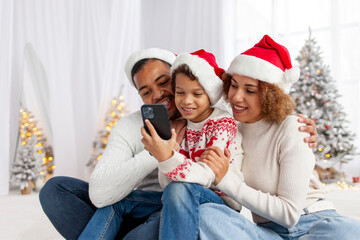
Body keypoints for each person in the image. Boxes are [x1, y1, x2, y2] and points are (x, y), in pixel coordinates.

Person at [38, 47, 318, 240]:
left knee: (167, 205)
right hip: (147, 200)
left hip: (186, 203)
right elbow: (101, 195)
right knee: (57, 190)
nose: (161, 95)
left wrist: (291, 124)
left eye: (164, 83)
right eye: (146, 91)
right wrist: (158, 150)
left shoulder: (217, 113)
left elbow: (255, 111)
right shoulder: (131, 125)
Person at [197, 35, 360, 239]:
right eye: (234, 85)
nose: (237, 96)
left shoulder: (292, 128)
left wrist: (226, 181)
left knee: (349, 232)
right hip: (270, 233)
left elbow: (289, 214)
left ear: (270, 97)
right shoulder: (229, 130)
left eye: (250, 90)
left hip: (315, 223)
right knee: (207, 216)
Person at [141, 49, 243, 239]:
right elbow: (167, 184)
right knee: (122, 203)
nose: (186, 101)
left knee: (178, 189)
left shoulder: (222, 124)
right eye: (180, 92)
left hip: (220, 200)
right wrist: (172, 151)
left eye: (197, 94)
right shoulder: (180, 126)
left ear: (210, 95)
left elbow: (206, 176)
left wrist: (168, 156)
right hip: (182, 195)